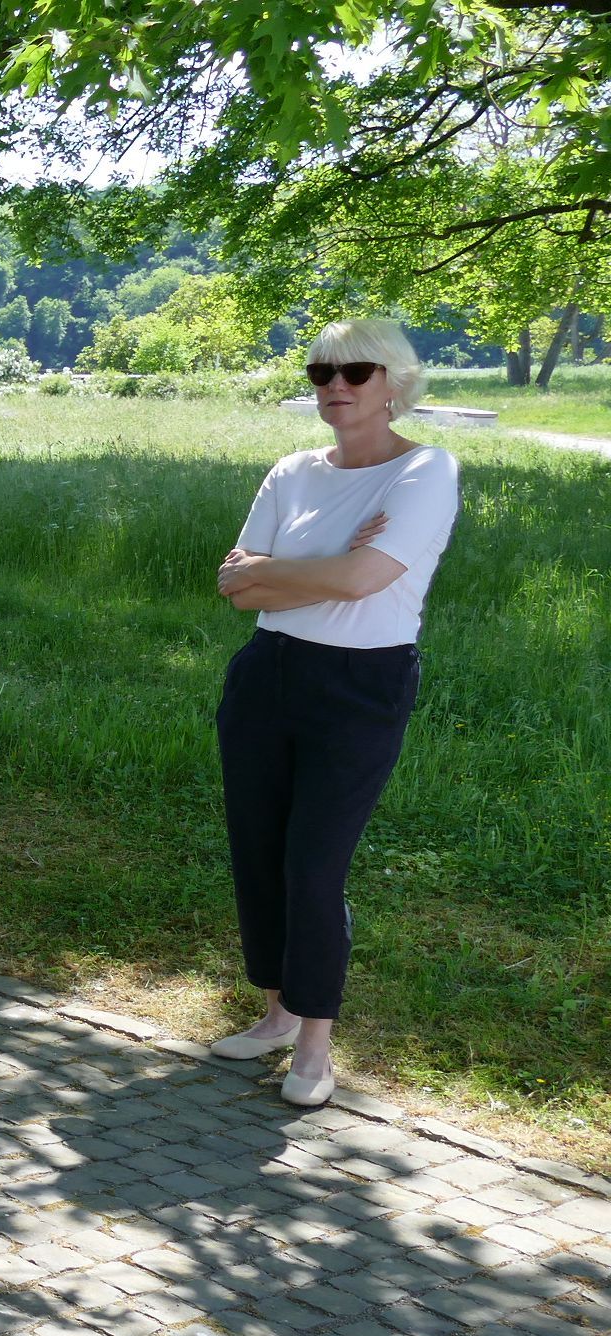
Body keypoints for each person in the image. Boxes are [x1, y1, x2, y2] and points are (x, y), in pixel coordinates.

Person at [208, 317, 458, 1107]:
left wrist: (281, 570)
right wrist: (328, 564)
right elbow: (234, 585)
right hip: (267, 673)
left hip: (361, 685)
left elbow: (361, 584)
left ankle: (316, 1041)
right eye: (321, 374)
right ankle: (276, 1012)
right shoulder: (292, 470)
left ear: (394, 384)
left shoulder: (424, 472)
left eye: (356, 372)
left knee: (315, 862)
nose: (336, 387)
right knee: (258, 848)